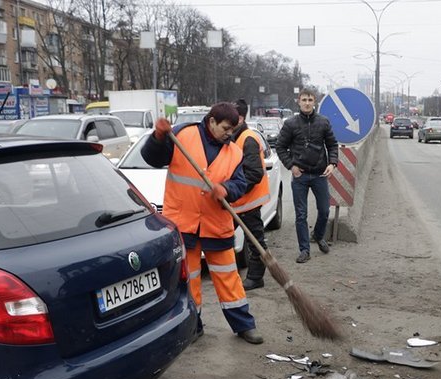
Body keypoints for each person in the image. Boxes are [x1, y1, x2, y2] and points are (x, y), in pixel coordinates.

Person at [140, 102, 263, 345]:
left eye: (233, 129)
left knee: (229, 278)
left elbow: (241, 183)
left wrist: (226, 189)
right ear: (212, 121)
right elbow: (152, 158)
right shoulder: (183, 135)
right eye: (226, 128)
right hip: (184, 224)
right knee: (190, 279)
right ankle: (192, 326)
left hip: (216, 225)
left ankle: (244, 325)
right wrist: (158, 137)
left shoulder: (235, 152)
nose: (230, 134)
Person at [275, 87, 338, 263]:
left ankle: (318, 235)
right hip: (300, 176)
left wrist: (332, 164)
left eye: (310, 100)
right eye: (304, 100)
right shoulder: (290, 124)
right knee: (301, 215)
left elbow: (332, 145)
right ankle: (304, 250)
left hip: (319, 175)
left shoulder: (323, 122)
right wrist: (291, 165)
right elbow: (280, 147)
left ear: (314, 102)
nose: (307, 103)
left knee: (324, 211)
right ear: (299, 101)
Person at [231, 98, 270, 290]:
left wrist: (233, 191)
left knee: (255, 240)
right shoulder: (236, 136)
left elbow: (254, 173)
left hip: (247, 201)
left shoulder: (247, 138)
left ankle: (255, 277)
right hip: (239, 201)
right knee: (225, 236)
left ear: (238, 118)